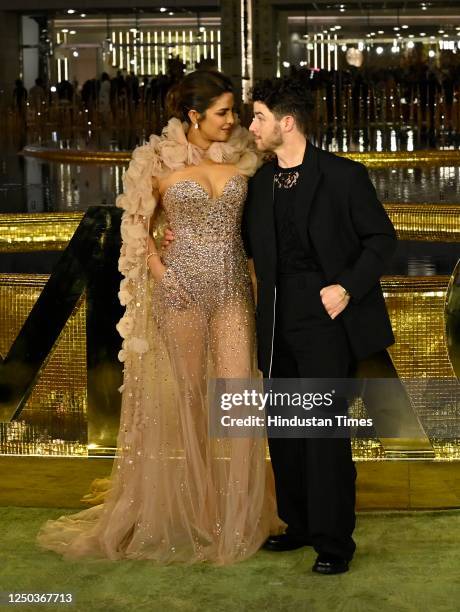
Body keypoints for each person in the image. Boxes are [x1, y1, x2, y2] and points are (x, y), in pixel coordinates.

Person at [37, 70, 280, 565]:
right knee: (190, 397)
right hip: (180, 291)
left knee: (237, 396)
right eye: (222, 112)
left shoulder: (247, 158)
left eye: (234, 112)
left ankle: (235, 514)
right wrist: (158, 270)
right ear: (194, 115)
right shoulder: (154, 160)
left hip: (234, 289)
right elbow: (136, 223)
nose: (232, 120)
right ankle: (194, 512)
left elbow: (263, 221)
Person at [242, 76, 397, 574]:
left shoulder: (344, 176)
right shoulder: (261, 182)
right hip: (274, 318)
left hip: (328, 319)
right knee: (285, 429)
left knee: (322, 432)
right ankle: (300, 525)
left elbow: (381, 241)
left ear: (287, 123)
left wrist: (346, 286)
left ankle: (333, 544)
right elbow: (247, 245)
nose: (252, 127)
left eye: (259, 117)